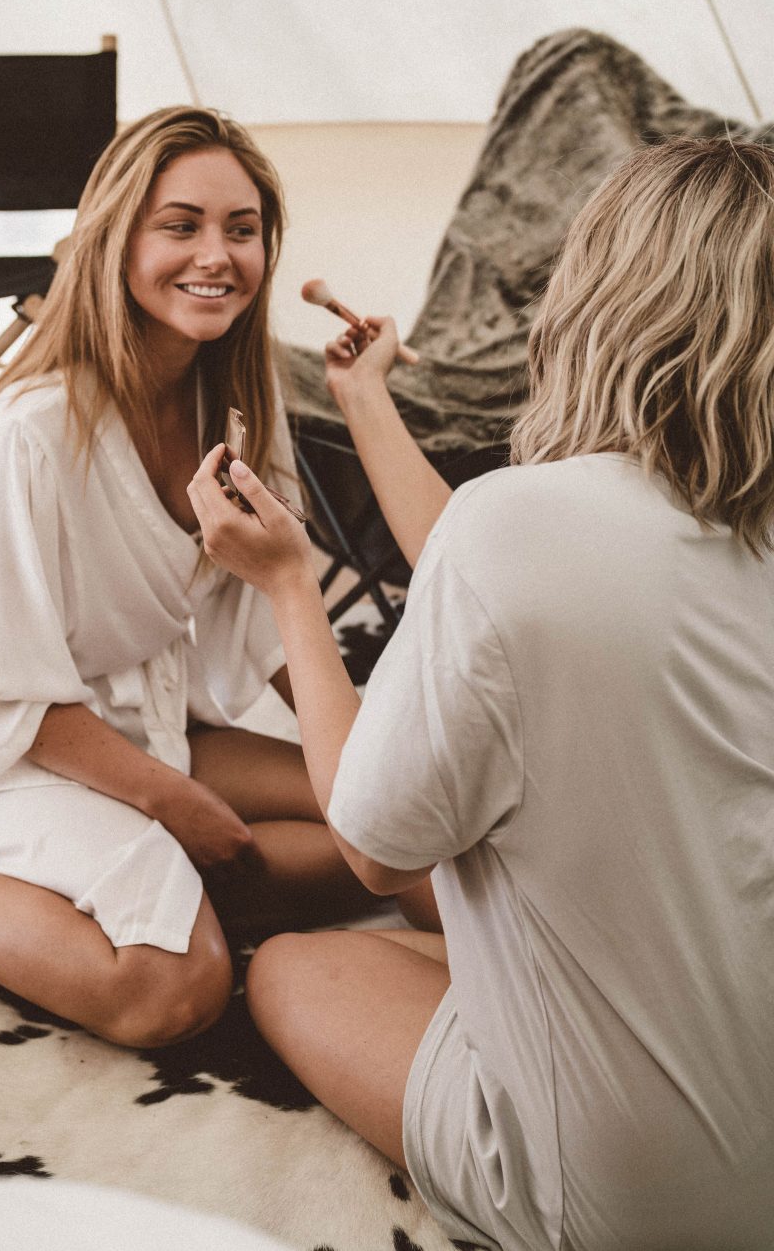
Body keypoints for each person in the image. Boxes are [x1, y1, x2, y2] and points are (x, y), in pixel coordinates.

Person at [188, 137, 774, 1251]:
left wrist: (286, 585)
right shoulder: (686, 521)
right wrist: (366, 398)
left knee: (301, 965)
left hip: (634, 1201)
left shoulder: (521, 525)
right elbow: (499, 567)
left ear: (605, 299)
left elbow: (371, 842)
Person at [0, 107, 375, 1047]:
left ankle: (17, 922)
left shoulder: (240, 407)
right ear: (117, 240)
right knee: (177, 987)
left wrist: (369, 765)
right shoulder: (35, 431)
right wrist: (180, 805)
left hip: (157, 724)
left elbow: (271, 620)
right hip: (34, 755)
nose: (216, 254)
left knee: (382, 841)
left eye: (240, 229)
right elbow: (16, 698)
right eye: (181, 224)